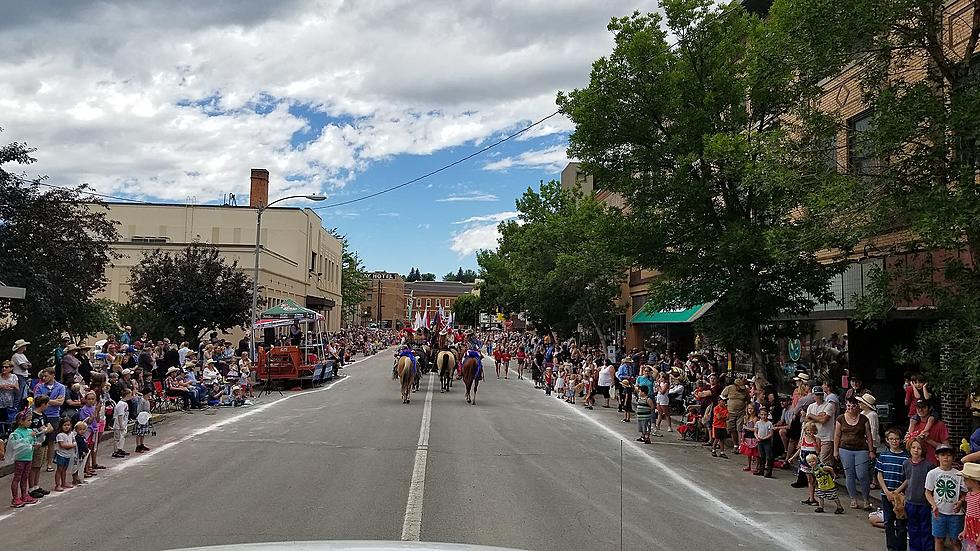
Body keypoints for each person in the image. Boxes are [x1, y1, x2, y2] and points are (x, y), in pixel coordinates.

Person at [834, 395, 876, 510]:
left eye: (853, 406)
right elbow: (837, 435)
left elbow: (868, 435)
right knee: (849, 475)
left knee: (862, 475)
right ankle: (853, 498)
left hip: (861, 448)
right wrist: (835, 450)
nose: (850, 408)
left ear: (857, 407)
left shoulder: (864, 419)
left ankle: (866, 499)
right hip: (845, 448)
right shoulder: (840, 419)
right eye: (848, 406)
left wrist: (871, 450)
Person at [925, 444, 965, 551]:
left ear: (953, 458)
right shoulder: (932, 473)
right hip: (938, 513)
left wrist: (960, 502)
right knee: (939, 539)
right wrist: (933, 505)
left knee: (955, 541)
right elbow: (928, 492)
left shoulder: (959, 474)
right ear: (937, 457)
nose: (946, 458)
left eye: (949, 455)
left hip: (955, 514)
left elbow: (965, 493)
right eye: (943, 455)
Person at [876, 428, 910, 551]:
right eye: (891, 439)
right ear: (887, 440)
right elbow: (879, 474)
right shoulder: (883, 456)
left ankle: (901, 548)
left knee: (901, 522)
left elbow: (908, 478)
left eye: (896, 439)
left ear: (900, 440)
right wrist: (886, 491)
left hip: (900, 496)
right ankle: (890, 547)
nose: (894, 441)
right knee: (888, 522)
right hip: (886, 494)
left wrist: (896, 492)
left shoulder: (906, 458)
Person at [898, 439, 935, 551]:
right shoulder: (906, 463)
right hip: (910, 501)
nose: (916, 450)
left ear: (923, 450)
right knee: (913, 529)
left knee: (926, 529)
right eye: (913, 447)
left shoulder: (929, 466)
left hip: (924, 503)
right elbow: (906, 480)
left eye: (919, 448)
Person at [6, 411, 37, 507]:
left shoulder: (29, 431)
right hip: (20, 459)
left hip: (29, 457)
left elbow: (34, 442)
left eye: (31, 420)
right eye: (28, 420)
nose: (30, 422)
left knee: (25, 477)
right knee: (17, 477)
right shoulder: (15, 433)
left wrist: (36, 442)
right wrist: (29, 437)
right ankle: (15, 498)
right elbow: (18, 445)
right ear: (20, 421)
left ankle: (24, 495)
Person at [906, 399, 950, 465]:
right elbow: (908, 445)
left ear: (929, 408)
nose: (920, 410)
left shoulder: (939, 425)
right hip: (916, 463)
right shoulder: (914, 423)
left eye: (923, 407)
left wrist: (929, 440)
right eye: (918, 407)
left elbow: (947, 447)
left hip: (933, 463)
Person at [28, 395, 53, 499]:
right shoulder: (33, 416)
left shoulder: (43, 415)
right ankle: (31, 488)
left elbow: (50, 427)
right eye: (47, 404)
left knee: (38, 466)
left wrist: (45, 430)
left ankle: (36, 485)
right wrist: (43, 430)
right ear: (43, 404)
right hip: (36, 444)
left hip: (43, 443)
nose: (47, 406)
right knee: (33, 466)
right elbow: (32, 431)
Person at [790, 422, 821, 506]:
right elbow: (800, 450)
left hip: (813, 463)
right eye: (808, 430)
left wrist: (814, 444)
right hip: (805, 462)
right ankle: (811, 497)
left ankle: (814, 498)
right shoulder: (803, 439)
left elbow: (818, 452)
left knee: (813, 480)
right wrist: (792, 457)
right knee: (810, 480)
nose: (810, 432)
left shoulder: (817, 439)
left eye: (812, 431)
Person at [805, 385, 836, 465]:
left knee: (823, 461)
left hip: (826, 437)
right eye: (816, 394)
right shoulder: (811, 406)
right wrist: (817, 417)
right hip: (815, 436)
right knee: (814, 460)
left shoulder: (829, 406)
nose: (818, 396)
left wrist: (812, 416)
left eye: (820, 394)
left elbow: (823, 420)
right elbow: (807, 420)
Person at [721, 377, 749, 451]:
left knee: (740, 429)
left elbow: (748, 400)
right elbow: (722, 396)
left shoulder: (745, 390)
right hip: (730, 412)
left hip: (741, 412)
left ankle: (740, 447)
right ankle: (735, 445)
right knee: (732, 429)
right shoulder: (729, 388)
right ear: (735, 385)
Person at [960, 462, 980, 551]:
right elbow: (967, 515)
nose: (964, 481)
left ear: (974, 481)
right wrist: (965, 530)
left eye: (965, 479)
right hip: (970, 528)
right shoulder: (968, 495)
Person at [52, 417, 75, 491]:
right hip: (61, 455)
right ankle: (57, 484)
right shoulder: (60, 435)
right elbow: (62, 445)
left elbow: (74, 441)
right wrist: (72, 445)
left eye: (68, 425)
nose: (67, 427)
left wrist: (72, 445)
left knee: (64, 469)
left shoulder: (71, 433)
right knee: (59, 469)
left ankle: (64, 482)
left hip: (68, 455)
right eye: (64, 425)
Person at [755, 405, 774, 478]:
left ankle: (769, 471)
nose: (763, 416)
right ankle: (761, 470)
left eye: (765, 415)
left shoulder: (769, 423)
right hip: (760, 440)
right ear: (759, 415)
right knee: (761, 455)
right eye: (762, 414)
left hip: (766, 441)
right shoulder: (758, 423)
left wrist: (764, 438)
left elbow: (771, 434)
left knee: (768, 456)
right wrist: (757, 437)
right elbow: (755, 432)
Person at [112, 388, 132, 458]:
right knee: (117, 438)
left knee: (122, 437)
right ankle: (115, 451)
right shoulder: (121, 404)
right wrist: (120, 425)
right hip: (119, 424)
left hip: (124, 422)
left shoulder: (125, 403)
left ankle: (120, 448)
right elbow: (120, 415)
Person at [740, 406, 759, 473]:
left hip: (753, 436)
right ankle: (749, 465)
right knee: (748, 453)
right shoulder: (746, 417)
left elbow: (755, 429)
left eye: (751, 408)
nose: (750, 410)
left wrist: (747, 428)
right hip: (747, 436)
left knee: (755, 453)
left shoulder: (755, 418)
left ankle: (756, 466)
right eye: (749, 408)